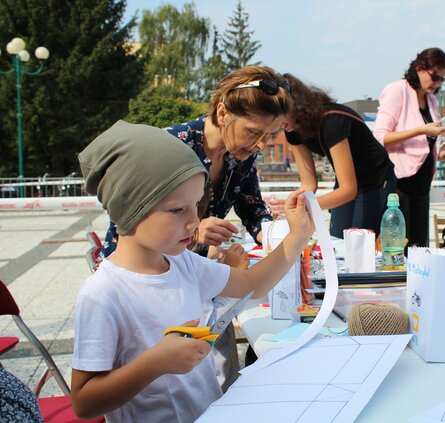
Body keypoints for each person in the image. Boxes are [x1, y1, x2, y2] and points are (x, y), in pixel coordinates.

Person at [71, 121, 313, 422]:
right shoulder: (103, 294)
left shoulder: (183, 262)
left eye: (196, 206)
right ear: (129, 208)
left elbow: (254, 284)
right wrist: (156, 362)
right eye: (177, 210)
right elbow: (84, 401)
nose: (194, 222)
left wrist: (298, 235)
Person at [97, 65, 293, 391]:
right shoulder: (172, 146)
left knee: (212, 370)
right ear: (223, 112)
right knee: (164, 381)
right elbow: (128, 220)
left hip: (189, 270)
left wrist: (275, 234)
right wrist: (193, 229)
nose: (260, 144)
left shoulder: (239, 156)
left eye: (270, 136)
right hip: (143, 278)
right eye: (253, 132)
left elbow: (252, 207)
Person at [272, 73, 396, 238]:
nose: (277, 122)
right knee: (337, 238)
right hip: (347, 181)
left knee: (359, 242)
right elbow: (308, 183)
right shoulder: (291, 131)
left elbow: (348, 190)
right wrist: (294, 202)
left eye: (279, 111)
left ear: (295, 104)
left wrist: (305, 206)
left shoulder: (332, 121)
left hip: (377, 179)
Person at [373, 48, 445, 247]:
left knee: (420, 250)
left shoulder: (431, 100)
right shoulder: (397, 90)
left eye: (443, 79)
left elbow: (423, 147)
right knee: (400, 249)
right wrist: (421, 130)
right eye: (435, 77)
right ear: (419, 69)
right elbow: (379, 136)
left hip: (422, 185)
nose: (438, 83)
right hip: (399, 184)